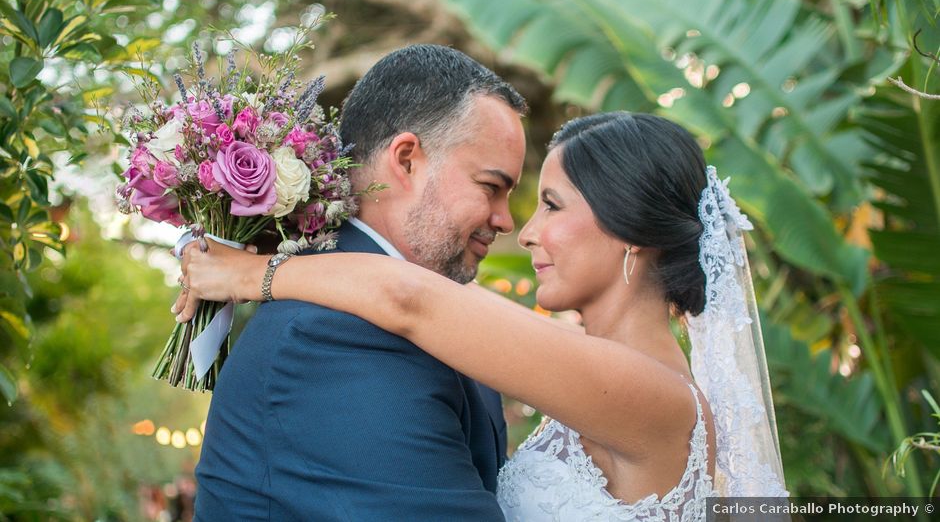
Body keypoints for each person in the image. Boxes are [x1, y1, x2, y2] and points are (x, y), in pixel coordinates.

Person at [178, 112, 789, 520]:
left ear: (630, 228)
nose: (525, 232)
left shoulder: (657, 396)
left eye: (551, 205)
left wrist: (248, 275)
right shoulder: (607, 384)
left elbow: (409, 299)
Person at [190, 44, 529, 521]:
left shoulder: (437, 310)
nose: (506, 220)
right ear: (407, 159)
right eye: (491, 187)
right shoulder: (328, 336)